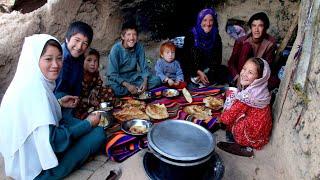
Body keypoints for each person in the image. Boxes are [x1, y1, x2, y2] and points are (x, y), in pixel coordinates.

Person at [0, 34, 106, 180]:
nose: (56, 65)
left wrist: (58, 103)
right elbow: (55, 142)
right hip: (36, 171)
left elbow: (33, 117)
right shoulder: (36, 93)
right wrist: (88, 123)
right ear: (34, 59)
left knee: (60, 97)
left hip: (20, 160)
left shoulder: (25, 82)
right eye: (48, 59)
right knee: (98, 134)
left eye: (59, 58)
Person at [217, 57, 272, 157]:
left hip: (252, 133)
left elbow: (229, 115)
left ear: (260, 78)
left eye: (250, 72)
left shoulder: (248, 96)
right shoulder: (261, 89)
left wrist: (219, 120)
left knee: (232, 117)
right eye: (244, 69)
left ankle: (242, 145)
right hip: (262, 132)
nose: (244, 74)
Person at [107, 20, 161, 96]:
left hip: (133, 77)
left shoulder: (139, 47)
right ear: (123, 36)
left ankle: (136, 89)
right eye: (128, 34)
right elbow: (112, 74)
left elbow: (144, 67)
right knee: (114, 89)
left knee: (157, 80)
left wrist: (145, 82)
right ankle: (135, 90)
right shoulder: (115, 49)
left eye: (134, 34)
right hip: (120, 79)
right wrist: (127, 85)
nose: (132, 38)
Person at [227, 12, 279, 90]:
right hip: (241, 74)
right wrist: (237, 78)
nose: (256, 29)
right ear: (251, 27)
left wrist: (255, 82)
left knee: (275, 81)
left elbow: (267, 67)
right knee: (246, 47)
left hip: (258, 75)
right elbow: (231, 63)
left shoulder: (270, 43)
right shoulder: (241, 41)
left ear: (265, 27)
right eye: (254, 25)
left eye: (260, 26)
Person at [179, 8, 229, 88]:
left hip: (208, 69)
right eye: (204, 20)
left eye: (211, 20)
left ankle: (205, 81)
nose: (208, 23)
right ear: (200, 21)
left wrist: (207, 72)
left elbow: (217, 59)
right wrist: (198, 72)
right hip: (193, 70)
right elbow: (185, 59)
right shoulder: (191, 36)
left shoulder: (215, 36)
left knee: (224, 71)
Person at [55, 21, 94, 104]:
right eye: (77, 40)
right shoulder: (61, 59)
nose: (79, 47)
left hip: (73, 99)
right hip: (59, 102)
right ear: (67, 39)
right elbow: (59, 91)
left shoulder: (79, 57)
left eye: (84, 43)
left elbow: (77, 84)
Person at [74, 48, 115, 119]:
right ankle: (87, 113)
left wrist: (94, 92)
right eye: (89, 60)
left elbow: (99, 84)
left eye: (95, 61)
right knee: (77, 106)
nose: (93, 64)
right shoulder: (78, 75)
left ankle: (95, 107)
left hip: (93, 96)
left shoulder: (96, 73)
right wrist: (89, 101)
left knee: (109, 91)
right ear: (82, 61)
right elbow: (75, 95)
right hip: (81, 99)